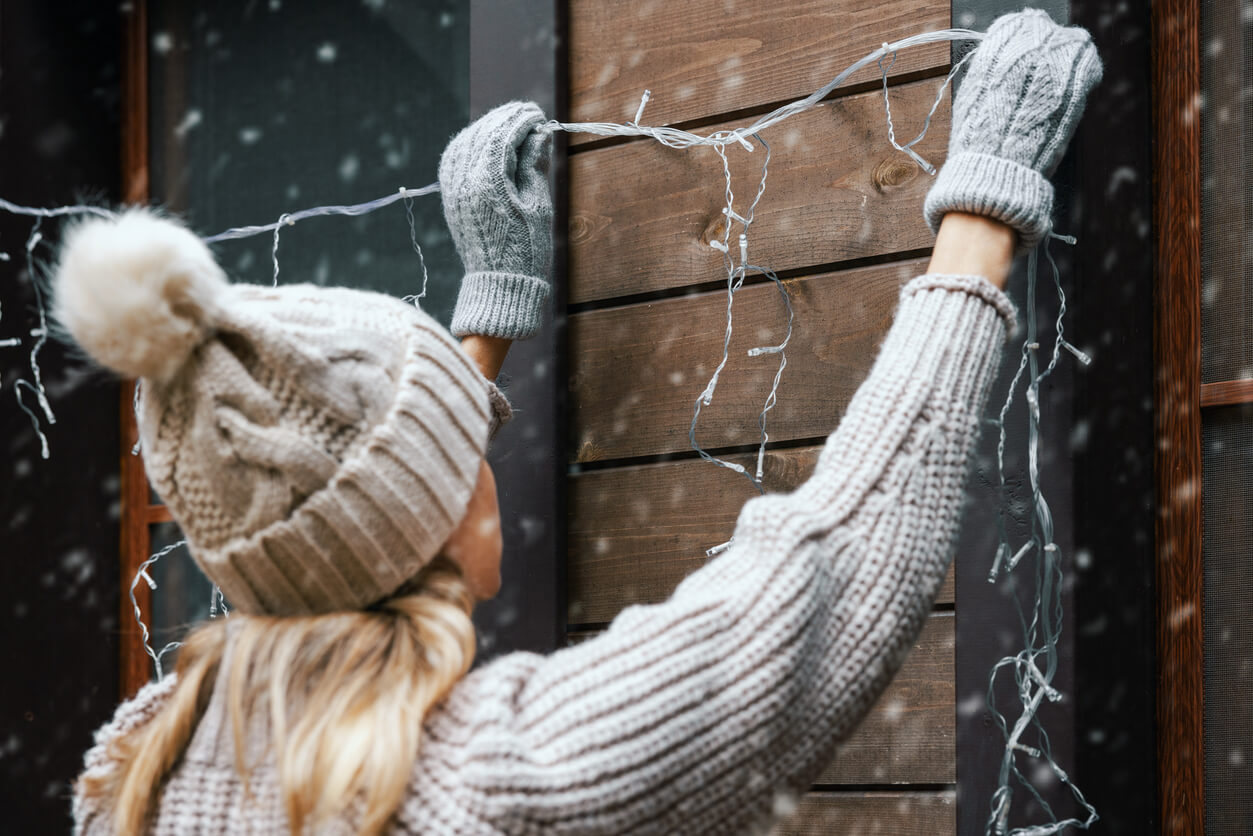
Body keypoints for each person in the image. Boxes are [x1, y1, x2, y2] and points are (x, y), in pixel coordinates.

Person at [63, 9, 1101, 835]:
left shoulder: (148, 769)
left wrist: (487, 319)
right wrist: (981, 212)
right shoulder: (501, 782)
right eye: (452, 454)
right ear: (430, 515)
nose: (476, 465)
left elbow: (330, 523)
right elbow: (830, 578)